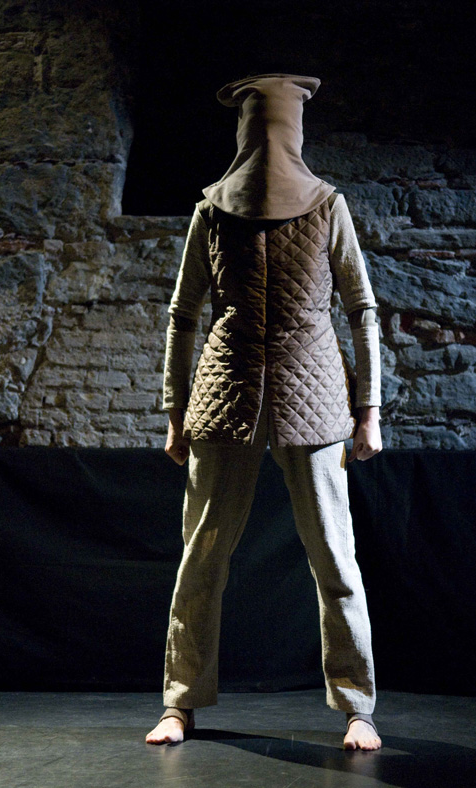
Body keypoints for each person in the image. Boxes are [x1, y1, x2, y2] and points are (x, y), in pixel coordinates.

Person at [146, 73, 383, 751]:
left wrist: (369, 409)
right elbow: (183, 314)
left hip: (316, 395)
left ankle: (358, 706)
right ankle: (180, 702)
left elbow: (361, 308)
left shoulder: (328, 207)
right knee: (202, 556)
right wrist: (174, 411)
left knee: (334, 557)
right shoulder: (213, 212)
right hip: (226, 391)